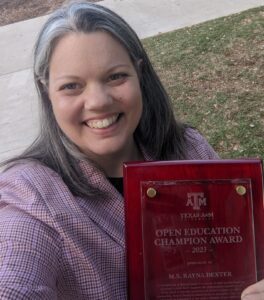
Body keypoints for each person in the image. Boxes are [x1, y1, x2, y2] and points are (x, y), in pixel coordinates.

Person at [0, 1, 261, 299]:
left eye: (115, 76)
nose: (98, 101)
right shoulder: (29, 197)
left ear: (139, 74)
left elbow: (246, 245)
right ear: (46, 91)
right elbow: (14, 280)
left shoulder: (189, 148)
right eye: (72, 86)